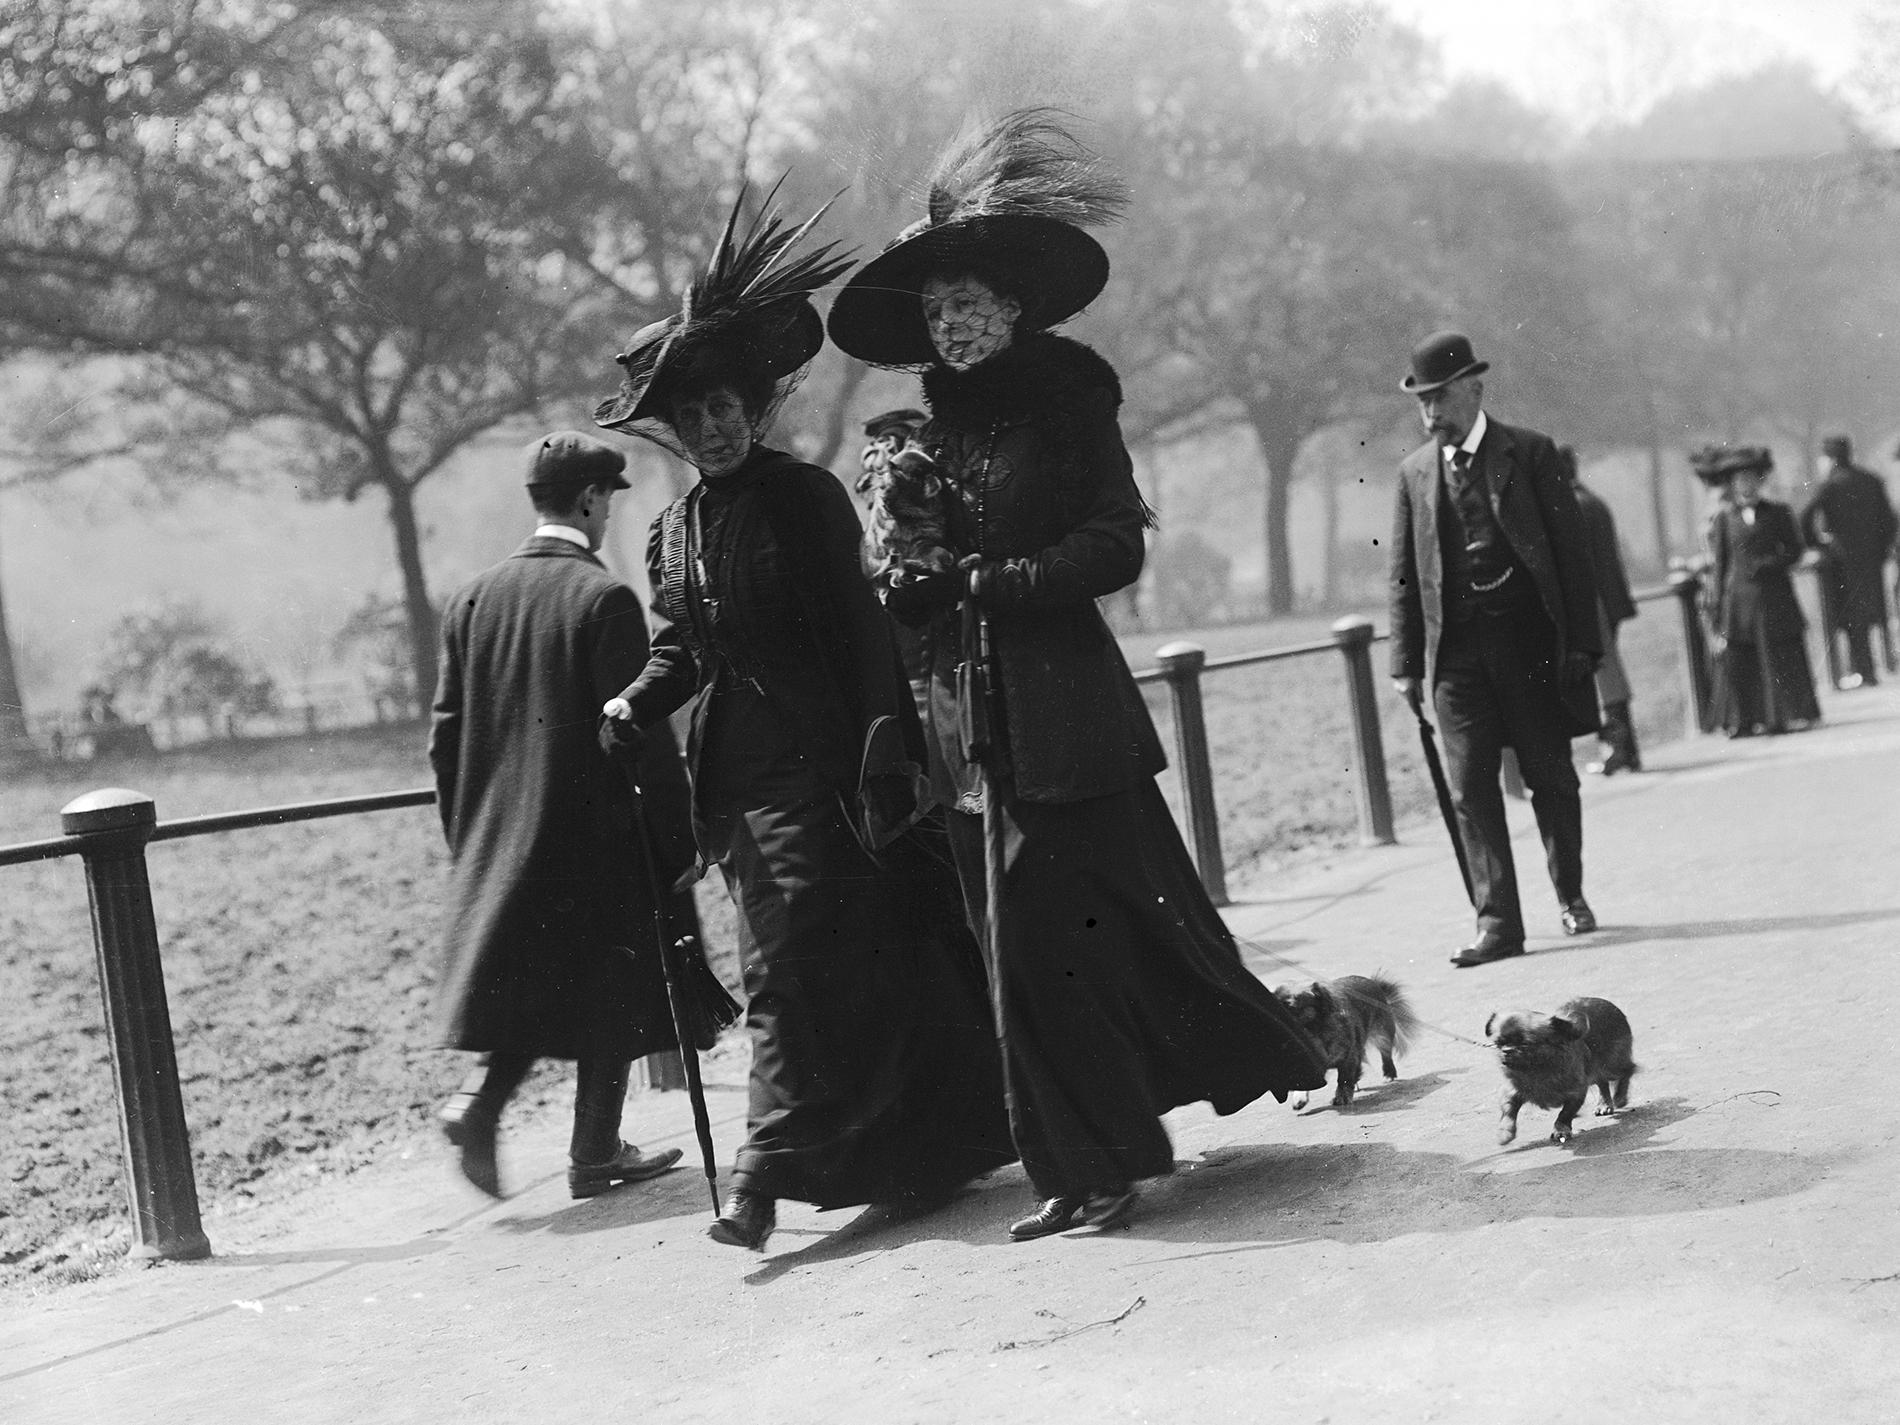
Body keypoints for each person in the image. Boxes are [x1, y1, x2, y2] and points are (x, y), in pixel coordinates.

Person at [826, 109, 1327, 1241]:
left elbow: (1117, 541)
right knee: (1009, 949)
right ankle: (1072, 1168)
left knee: (1081, 939)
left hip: (1064, 717)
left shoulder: (1066, 405)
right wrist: (904, 582)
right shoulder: (919, 437)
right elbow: (913, 575)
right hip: (965, 726)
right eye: (936, 312)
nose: (951, 326)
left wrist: (994, 580)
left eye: (969, 306)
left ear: (1011, 310)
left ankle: (1118, 1155)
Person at [594, 186, 1014, 1253]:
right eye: (692, 419)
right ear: (677, 434)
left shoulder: (804, 501)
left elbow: (863, 633)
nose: (713, 427)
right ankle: (925, 1151)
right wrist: (639, 699)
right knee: (857, 962)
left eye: (726, 409)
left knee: (785, 969)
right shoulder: (676, 531)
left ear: (753, 407)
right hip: (732, 784)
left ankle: (757, 1180)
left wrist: (889, 758)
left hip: (827, 772)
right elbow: (685, 643)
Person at [429, 432, 689, 1200]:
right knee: (610, 975)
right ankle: (593, 1151)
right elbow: (633, 739)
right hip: (593, 836)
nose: (609, 516)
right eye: (608, 500)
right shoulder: (602, 597)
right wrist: (676, 837)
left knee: (540, 981)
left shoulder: (472, 597)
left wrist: (469, 839)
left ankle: (482, 1104)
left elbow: (444, 739)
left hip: (500, 838)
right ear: (587, 500)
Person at [1386, 331, 1602, 967]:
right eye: (1421, 404)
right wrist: (1403, 664)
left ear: (1474, 390)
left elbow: (1571, 556)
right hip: (1456, 657)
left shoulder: (1531, 454)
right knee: (1469, 786)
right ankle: (1499, 924)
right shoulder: (1413, 473)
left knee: (1550, 778)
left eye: (1440, 400)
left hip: (1531, 647)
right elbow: (1402, 573)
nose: (1430, 416)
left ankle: (1571, 895)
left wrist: (1584, 645)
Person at [1698, 443, 1821, 736]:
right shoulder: (1725, 518)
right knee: (1744, 662)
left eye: (1751, 479)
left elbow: (1795, 550)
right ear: (1733, 484)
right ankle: (1746, 720)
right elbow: (1721, 565)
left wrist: (1770, 563)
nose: (1746, 485)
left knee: (1777, 657)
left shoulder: (1778, 512)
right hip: (1739, 601)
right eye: (1740, 480)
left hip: (1773, 595)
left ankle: (1782, 717)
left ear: (1760, 481)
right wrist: (1717, 606)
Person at [1561, 447, 1642, 775]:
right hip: (1608, 602)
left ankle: (1618, 752)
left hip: (1591, 605)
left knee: (1606, 680)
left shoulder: (1572, 507)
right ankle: (1626, 752)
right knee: (1609, 676)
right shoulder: (1593, 501)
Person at [1800, 435, 1897, 689]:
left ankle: (1858, 671)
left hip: (1841, 561)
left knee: (1849, 615)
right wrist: (1882, 549)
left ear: (1830, 459)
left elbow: (1806, 517)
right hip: (1871, 559)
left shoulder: (1829, 485)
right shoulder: (1871, 480)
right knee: (1873, 612)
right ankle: (1874, 667)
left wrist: (1818, 545)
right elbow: (1889, 521)